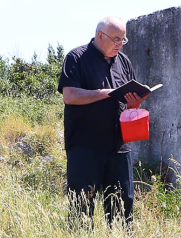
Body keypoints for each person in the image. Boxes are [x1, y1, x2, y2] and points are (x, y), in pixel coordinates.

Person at [57, 16, 143, 226]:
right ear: (99, 36)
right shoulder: (76, 58)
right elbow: (70, 96)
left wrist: (134, 103)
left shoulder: (124, 62)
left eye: (123, 40)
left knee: (123, 204)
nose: (120, 45)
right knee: (82, 204)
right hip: (85, 146)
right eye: (116, 39)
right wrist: (106, 93)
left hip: (119, 146)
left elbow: (126, 100)